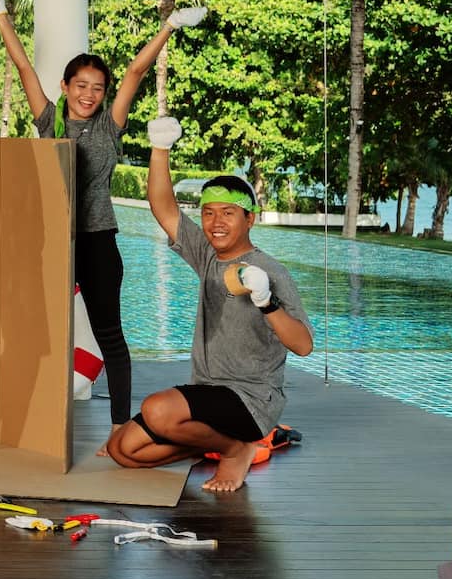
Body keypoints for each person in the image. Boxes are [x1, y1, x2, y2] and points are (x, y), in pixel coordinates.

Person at [0, 0, 210, 444]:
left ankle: (121, 427)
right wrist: (0, 14)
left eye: (97, 88)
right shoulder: (49, 122)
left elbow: (135, 71)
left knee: (110, 334)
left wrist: (170, 26)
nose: (89, 94)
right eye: (80, 85)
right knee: (33, 334)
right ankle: (25, 421)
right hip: (50, 244)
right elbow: (25, 67)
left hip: (98, 240)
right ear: (65, 87)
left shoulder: (109, 127)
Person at [104, 116, 314, 493]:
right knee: (124, 451)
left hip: (250, 400)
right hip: (208, 394)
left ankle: (237, 448)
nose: (216, 222)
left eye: (228, 213)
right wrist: (160, 147)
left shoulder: (270, 271)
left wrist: (266, 302)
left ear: (249, 219)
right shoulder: (207, 255)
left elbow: (303, 345)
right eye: (208, 212)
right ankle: (207, 446)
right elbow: (163, 207)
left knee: (156, 409)